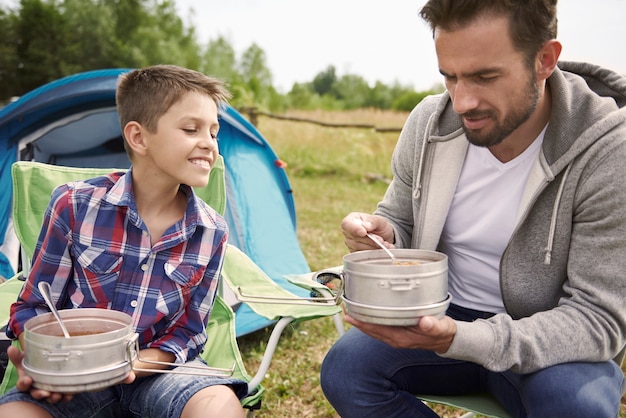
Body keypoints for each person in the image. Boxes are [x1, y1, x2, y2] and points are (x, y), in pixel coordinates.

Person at [320, 1, 626, 417]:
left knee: (576, 407)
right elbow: (400, 218)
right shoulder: (429, 122)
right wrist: (387, 234)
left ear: (544, 60)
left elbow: (597, 319)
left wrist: (463, 339)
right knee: (346, 372)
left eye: (485, 77)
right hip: (442, 314)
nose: (462, 102)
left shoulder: (608, 151)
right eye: (450, 77)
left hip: (546, 336)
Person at [0, 65, 247, 418]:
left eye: (213, 132)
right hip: (76, 377)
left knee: (219, 406)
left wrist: (129, 364)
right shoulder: (73, 205)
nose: (209, 143)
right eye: (191, 129)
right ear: (138, 137)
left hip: (158, 374)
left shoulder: (211, 231)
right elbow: (33, 307)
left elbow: (189, 331)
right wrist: (43, 360)